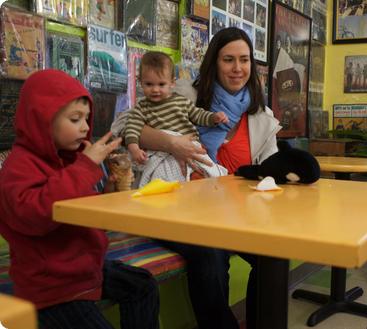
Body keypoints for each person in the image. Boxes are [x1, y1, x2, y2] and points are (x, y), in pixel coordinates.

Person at [128, 27, 281, 329]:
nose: (238, 68)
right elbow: (128, 128)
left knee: (272, 256)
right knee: (211, 254)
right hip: (179, 209)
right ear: (214, 62)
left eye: (244, 60)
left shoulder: (262, 116)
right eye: (228, 60)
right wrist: (172, 143)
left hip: (236, 214)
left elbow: (269, 171)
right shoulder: (184, 95)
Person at [0, 69, 160, 329]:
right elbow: (35, 216)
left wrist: (111, 188)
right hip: (50, 288)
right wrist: (86, 166)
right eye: (75, 119)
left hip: (84, 269)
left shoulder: (69, 159)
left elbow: (86, 214)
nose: (86, 127)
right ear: (42, 119)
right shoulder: (19, 166)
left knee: (143, 285)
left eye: (87, 118)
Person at [124, 51, 228, 185]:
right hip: (162, 153)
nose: (155, 90)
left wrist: (213, 117)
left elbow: (198, 115)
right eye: (149, 84)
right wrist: (134, 148)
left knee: (211, 175)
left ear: (172, 83)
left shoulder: (182, 102)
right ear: (140, 82)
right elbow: (132, 128)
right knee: (163, 181)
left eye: (161, 84)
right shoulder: (142, 108)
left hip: (190, 146)